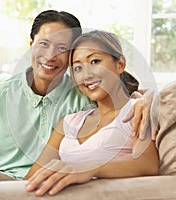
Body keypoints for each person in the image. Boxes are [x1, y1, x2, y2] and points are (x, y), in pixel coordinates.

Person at [0, 10, 149, 187]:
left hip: (44, 183)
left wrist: (143, 101)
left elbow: (120, 96)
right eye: (44, 44)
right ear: (31, 44)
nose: (51, 55)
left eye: (62, 48)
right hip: (0, 182)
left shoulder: (84, 89)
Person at [25, 30, 158, 196]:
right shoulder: (69, 122)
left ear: (120, 64)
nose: (86, 75)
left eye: (95, 61)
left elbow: (147, 162)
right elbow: (31, 178)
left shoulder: (136, 110)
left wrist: (90, 168)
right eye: (78, 68)